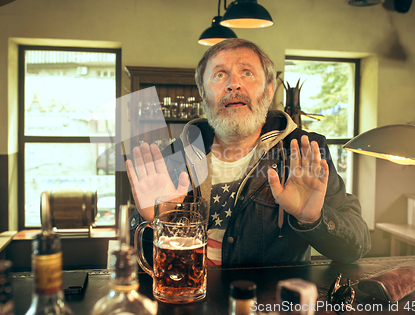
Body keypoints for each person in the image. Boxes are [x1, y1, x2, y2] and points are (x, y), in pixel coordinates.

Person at [127, 38, 371, 267]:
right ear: (203, 93)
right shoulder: (172, 159)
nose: (234, 84)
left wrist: (314, 219)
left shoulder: (304, 152)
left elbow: (356, 247)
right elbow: (140, 262)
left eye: (247, 72)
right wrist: (155, 223)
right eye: (219, 74)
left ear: (269, 89)